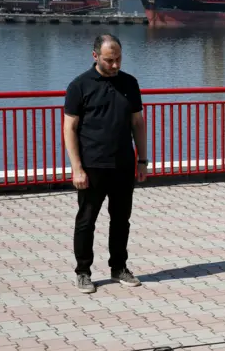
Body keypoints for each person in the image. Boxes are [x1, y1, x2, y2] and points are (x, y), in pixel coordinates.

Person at [63, 34, 148, 294]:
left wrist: (142, 160)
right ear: (95, 56)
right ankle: (83, 272)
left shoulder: (129, 83)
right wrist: (77, 167)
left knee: (121, 220)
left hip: (123, 164)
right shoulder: (79, 86)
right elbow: (69, 127)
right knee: (86, 221)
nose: (115, 65)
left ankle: (119, 267)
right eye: (109, 60)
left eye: (119, 59)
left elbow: (138, 123)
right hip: (92, 166)